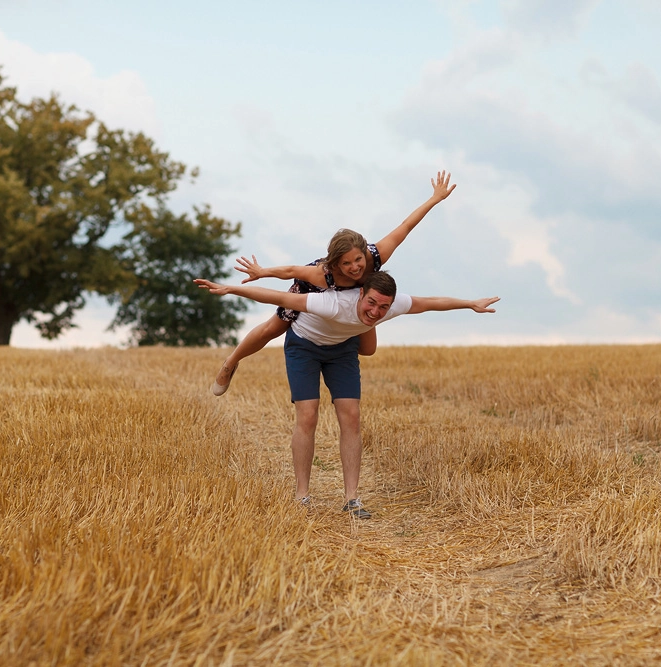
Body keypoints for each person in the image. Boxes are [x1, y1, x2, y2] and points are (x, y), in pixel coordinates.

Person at [195, 271, 499, 519]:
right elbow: (279, 297)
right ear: (361, 293)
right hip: (304, 347)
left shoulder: (390, 305)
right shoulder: (332, 303)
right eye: (371, 303)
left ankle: (352, 499)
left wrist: (470, 303)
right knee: (308, 415)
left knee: (351, 417)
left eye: (383, 307)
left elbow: (430, 302)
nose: (376, 311)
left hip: (342, 351)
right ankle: (302, 496)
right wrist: (231, 289)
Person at [211, 170, 457, 396]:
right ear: (335, 264)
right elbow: (290, 270)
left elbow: (406, 226)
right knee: (271, 330)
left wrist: (434, 198)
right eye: (346, 264)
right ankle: (231, 362)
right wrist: (262, 272)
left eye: (358, 260)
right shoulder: (322, 274)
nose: (355, 268)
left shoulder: (376, 254)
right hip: (310, 292)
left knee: (368, 349)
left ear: (365, 253)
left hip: (358, 302)